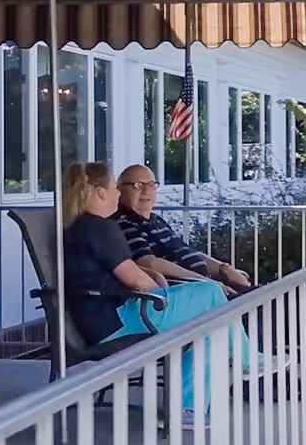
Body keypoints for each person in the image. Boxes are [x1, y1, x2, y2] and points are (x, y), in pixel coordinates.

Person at [57, 162, 239, 425]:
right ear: (99, 193)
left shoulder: (86, 227)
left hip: (107, 315)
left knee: (212, 325)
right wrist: (169, 297)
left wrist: (166, 288)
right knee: (210, 292)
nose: (118, 194)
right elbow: (137, 281)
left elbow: (130, 274)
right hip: (118, 320)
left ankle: (186, 411)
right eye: (113, 188)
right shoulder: (99, 228)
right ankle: (247, 361)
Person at [114, 164, 255, 295]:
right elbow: (148, 262)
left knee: (265, 296)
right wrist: (208, 282)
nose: (146, 191)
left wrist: (225, 268)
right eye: (138, 185)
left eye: (151, 185)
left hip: (205, 285)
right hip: (186, 292)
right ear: (119, 189)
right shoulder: (122, 223)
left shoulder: (157, 220)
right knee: (262, 308)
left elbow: (185, 250)